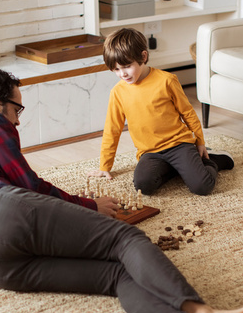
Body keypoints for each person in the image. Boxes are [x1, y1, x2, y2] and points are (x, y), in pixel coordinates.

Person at [0, 67, 243, 313]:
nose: (18, 120)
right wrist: (89, 205)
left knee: (114, 276)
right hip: (0, 213)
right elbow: (28, 185)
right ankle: (202, 312)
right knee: (123, 239)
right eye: (16, 109)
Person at [89, 27, 234, 195]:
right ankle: (181, 168)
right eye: (116, 69)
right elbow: (112, 129)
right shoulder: (118, 92)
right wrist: (105, 166)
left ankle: (211, 161)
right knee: (143, 186)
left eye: (127, 66)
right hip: (150, 152)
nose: (122, 74)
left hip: (179, 145)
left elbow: (187, 113)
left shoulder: (167, 80)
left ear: (143, 57)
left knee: (202, 186)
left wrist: (200, 141)